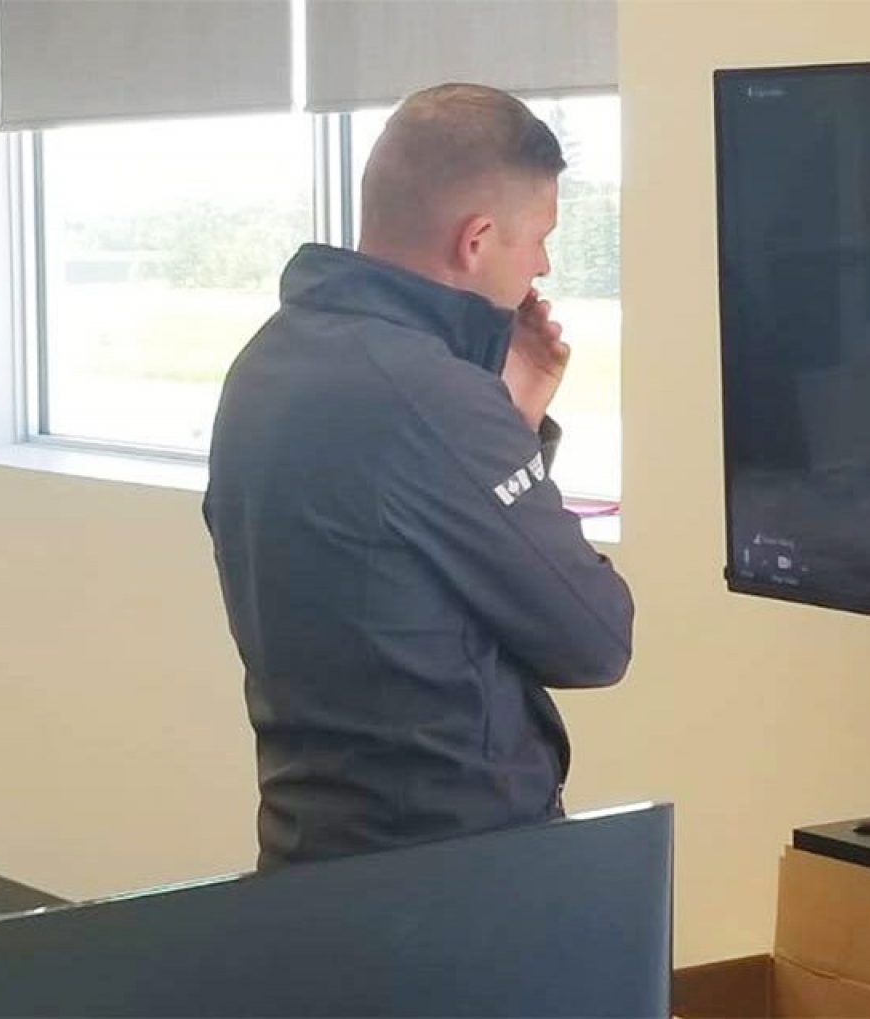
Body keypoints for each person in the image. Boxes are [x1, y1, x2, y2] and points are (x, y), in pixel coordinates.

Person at [203, 84, 634, 870]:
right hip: (452, 877)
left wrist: (514, 414)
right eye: (539, 237)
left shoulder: (268, 362)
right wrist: (493, 417)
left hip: (311, 850)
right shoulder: (429, 397)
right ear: (476, 239)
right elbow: (595, 636)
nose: (542, 264)